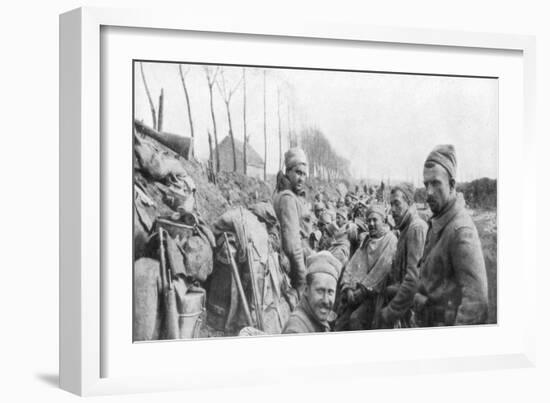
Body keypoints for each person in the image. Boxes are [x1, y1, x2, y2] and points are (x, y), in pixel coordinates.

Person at [415, 145, 488, 326]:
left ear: (452, 185)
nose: (429, 192)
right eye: (426, 184)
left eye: (436, 183)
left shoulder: (461, 231)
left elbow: (476, 304)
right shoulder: (440, 220)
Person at [335, 205, 397, 330]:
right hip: (358, 293)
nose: (371, 224)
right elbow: (352, 265)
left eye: (375, 220)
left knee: (355, 319)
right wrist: (348, 287)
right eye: (368, 221)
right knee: (340, 322)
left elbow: (381, 271)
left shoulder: (390, 240)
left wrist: (362, 291)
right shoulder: (367, 240)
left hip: (377, 295)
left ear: (383, 221)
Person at [379, 184, 428, 328]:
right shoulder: (405, 228)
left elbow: (414, 280)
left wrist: (390, 311)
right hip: (405, 305)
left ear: (409, 203)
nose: (392, 210)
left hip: (412, 311)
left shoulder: (415, 228)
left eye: (397, 204)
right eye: (391, 204)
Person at [273, 147, 314, 298]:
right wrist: (302, 280)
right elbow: (292, 246)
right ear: (288, 172)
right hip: (292, 268)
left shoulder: (290, 196)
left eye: (304, 174)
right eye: (297, 172)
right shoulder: (287, 199)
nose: (301, 178)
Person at [283, 251, 342, 334]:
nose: (325, 300)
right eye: (320, 291)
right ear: (306, 290)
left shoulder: (317, 319)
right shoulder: (296, 330)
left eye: (330, 292)